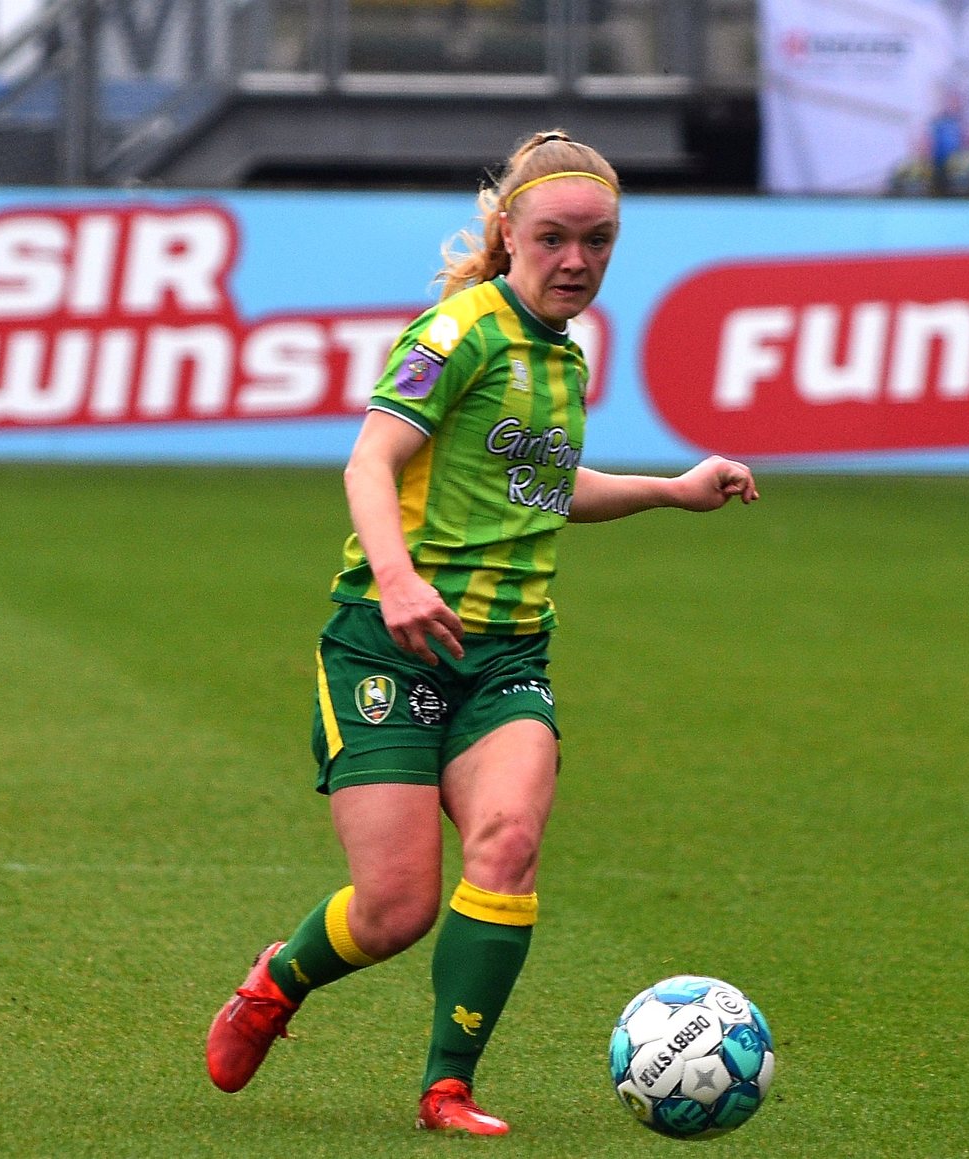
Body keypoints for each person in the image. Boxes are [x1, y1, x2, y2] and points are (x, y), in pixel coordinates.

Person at [203, 129, 758, 1136]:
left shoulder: (565, 359)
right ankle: (275, 984)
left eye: (598, 242)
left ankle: (445, 1087)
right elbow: (369, 464)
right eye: (554, 238)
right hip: (386, 642)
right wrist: (402, 578)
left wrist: (672, 490)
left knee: (507, 841)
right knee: (396, 909)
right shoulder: (454, 334)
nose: (577, 261)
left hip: (506, 657)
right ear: (508, 233)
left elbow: (545, 490)